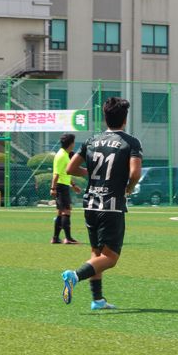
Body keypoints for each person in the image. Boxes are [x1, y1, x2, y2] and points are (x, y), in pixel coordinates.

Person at [60, 97, 142, 310]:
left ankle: (97, 300)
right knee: (110, 258)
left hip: (90, 204)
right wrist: (129, 187)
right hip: (112, 204)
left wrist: (92, 174)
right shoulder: (130, 142)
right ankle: (75, 276)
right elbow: (135, 172)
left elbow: (70, 169)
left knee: (96, 254)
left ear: (105, 117)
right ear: (125, 118)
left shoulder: (91, 140)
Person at [50, 133, 82, 244]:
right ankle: (68, 238)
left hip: (63, 185)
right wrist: (53, 188)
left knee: (60, 212)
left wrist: (73, 185)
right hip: (61, 187)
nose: (74, 144)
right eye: (73, 142)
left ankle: (55, 238)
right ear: (71, 143)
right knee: (66, 211)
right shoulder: (61, 155)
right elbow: (56, 174)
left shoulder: (64, 154)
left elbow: (65, 173)